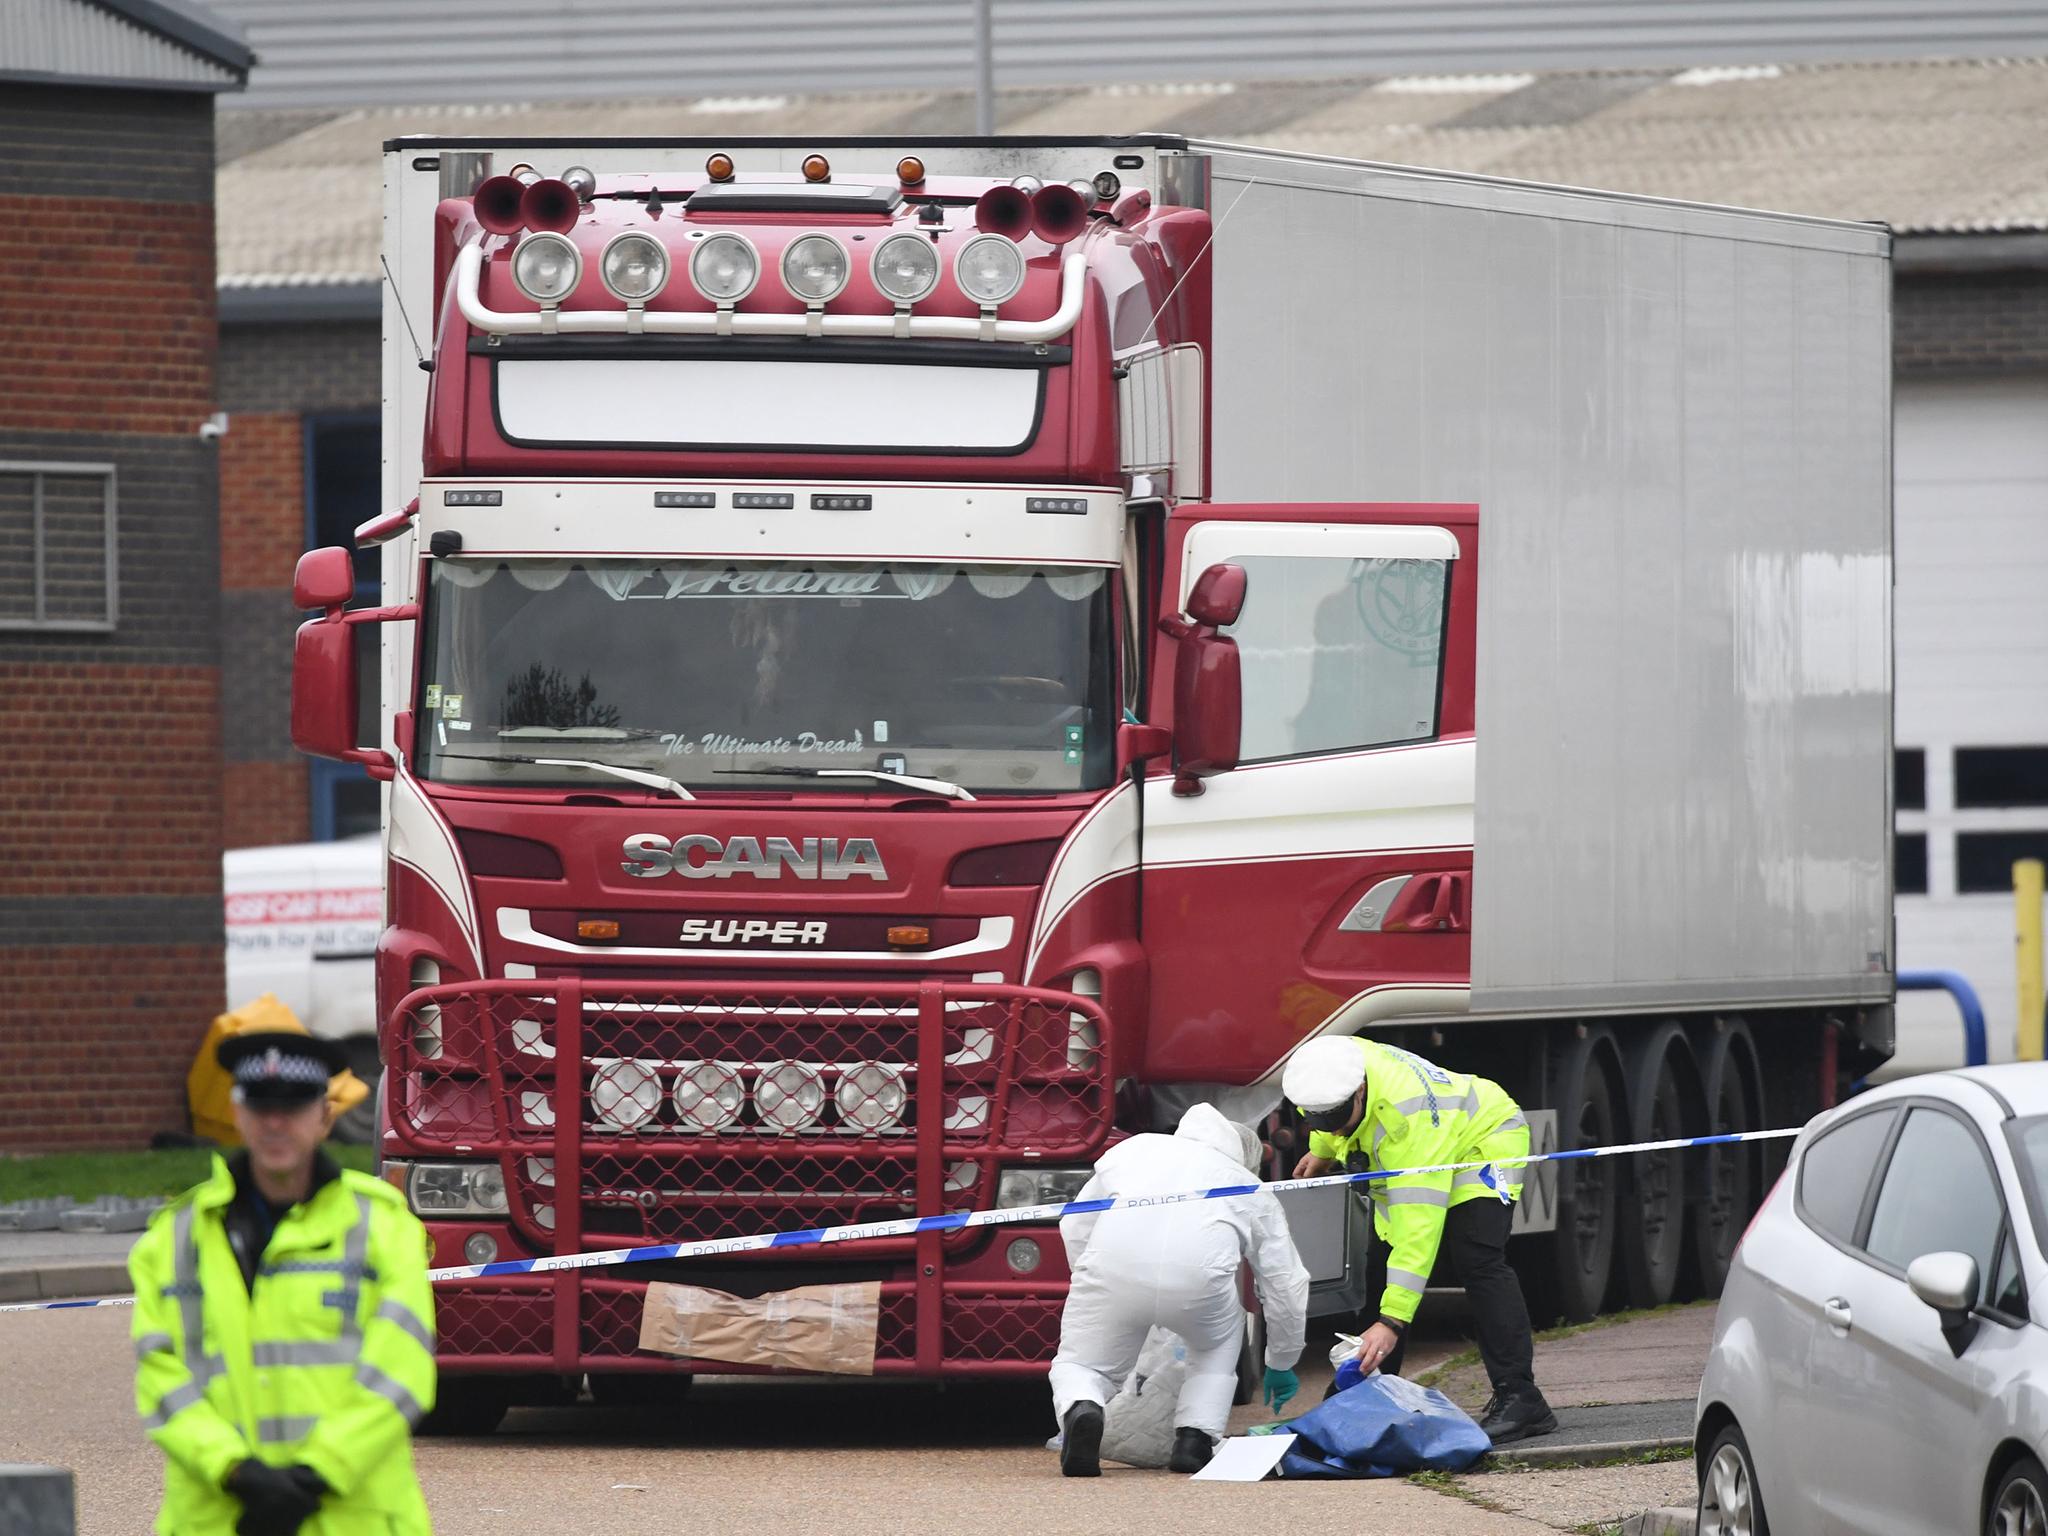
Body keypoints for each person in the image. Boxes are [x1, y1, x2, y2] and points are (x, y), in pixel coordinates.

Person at [130, 1030, 437, 1535]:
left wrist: (319, 1474)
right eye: (260, 1105)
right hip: (222, 1515)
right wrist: (235, 1471)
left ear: (324, 1117)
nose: (276, 1123)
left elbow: (400, 1370)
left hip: (345, 1518)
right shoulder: (174, 1239)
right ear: (237, 1113)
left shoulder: (381, 1228)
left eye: (293, 1106)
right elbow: (162, 1376)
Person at [1282, 1034, 1557, 1444]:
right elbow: (1329, 1117)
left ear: (1360, 1091)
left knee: (1477, 1257)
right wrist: (1322, 1146)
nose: (1331, 1128)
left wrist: (1392, 1321)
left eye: (1336, 1118)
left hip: (1484, 1136)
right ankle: (1369, 1389)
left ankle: (1521, 1398)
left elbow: (1417, 1231)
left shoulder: (1407, 1121)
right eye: (1318, 1120)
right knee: (1378, 1261)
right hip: (1431, 1135)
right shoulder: (1330, 1062)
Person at [1049, 1103, 1311, 1477]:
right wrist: (1282, 1360)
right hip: (1200, 1287)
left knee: (1082, 1362)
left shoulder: (1131, 1150)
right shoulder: (1246, 1183)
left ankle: (1083, 1407)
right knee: (1215, 1349)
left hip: (1113, 1267)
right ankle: (1195, 1439)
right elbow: (1285, 1281)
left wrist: (1093, 1279)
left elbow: (1076, 1223)